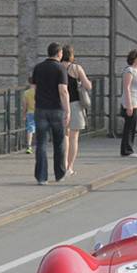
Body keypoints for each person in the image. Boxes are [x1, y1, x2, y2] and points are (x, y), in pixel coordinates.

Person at [30, 42, 70, 184]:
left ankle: (41, 177)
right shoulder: (61, 69)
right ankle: (59, 174)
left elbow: (33, 88)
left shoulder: (38, 68)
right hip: (56, 110)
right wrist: (67, 110)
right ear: (59, 53)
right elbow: (63, 91)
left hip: (40, 109)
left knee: (41, 144)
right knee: (59, 143)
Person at [61, 45, 92, 176]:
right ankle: (69, 167)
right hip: (74, 105)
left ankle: (62, 166)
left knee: (64, 137)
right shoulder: (76, 68)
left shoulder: (57, 67)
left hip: (60, 104)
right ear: (72, 55)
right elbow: (88, 86)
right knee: (74, 137)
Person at [120, 49, 137, 158]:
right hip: (130, 102)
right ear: (134, 58)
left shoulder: (136, 70)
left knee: (132, 126)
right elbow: (127, 87)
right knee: (129, 127)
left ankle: (128, 148)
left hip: (136, 101)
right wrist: (129, 105)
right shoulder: (129, 70)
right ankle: (127, 150)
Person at [22, 83, 36, 154]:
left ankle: (29, 146)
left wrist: (24, 114)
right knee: (41, 128)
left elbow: (25, 105)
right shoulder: (39, 91)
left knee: (30, 129)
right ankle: (40, 145)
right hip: (39, 112)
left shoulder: (26, 93)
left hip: (30, 112)